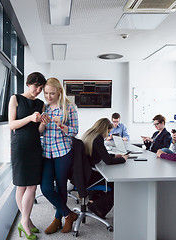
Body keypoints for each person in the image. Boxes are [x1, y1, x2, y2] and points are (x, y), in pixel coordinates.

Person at [8, 72, 46, 240]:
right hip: (20, 146)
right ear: (28, 84)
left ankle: (25, 221)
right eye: (36, 86)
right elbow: (12, 125)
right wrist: (30, 118)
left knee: (32, 186)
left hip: (35, 145)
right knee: (21, 185)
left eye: (41, 88)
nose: (38, 90)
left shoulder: (41, 103)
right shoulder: (15, 99)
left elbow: (38, 131)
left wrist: (43, 124)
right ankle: (26, 222)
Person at [39, 77, 79, 234]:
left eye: (52, 93)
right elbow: (40, 132)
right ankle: (69, 215)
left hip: (63, 151)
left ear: (59, 92)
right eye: (46, 93)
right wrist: (43, 123)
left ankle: (57, 220)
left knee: (61, 187)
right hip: (46, 152)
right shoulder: (44, 107)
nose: (49, 96)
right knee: (46, 188)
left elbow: (74, 131)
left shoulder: (69, 107)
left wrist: (60, 124)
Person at [82, 118, 128, 219]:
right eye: (108, 131)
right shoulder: (97, 138)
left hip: (85, 174)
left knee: (113, 182)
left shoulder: (90, 134)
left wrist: (113, 156)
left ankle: (95, 201)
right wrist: (123, 159)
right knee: (118, 184)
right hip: (90, 176)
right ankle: (97, 207)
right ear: (104, 129)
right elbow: (108, 161)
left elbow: (101, 155)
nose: (108, 133)